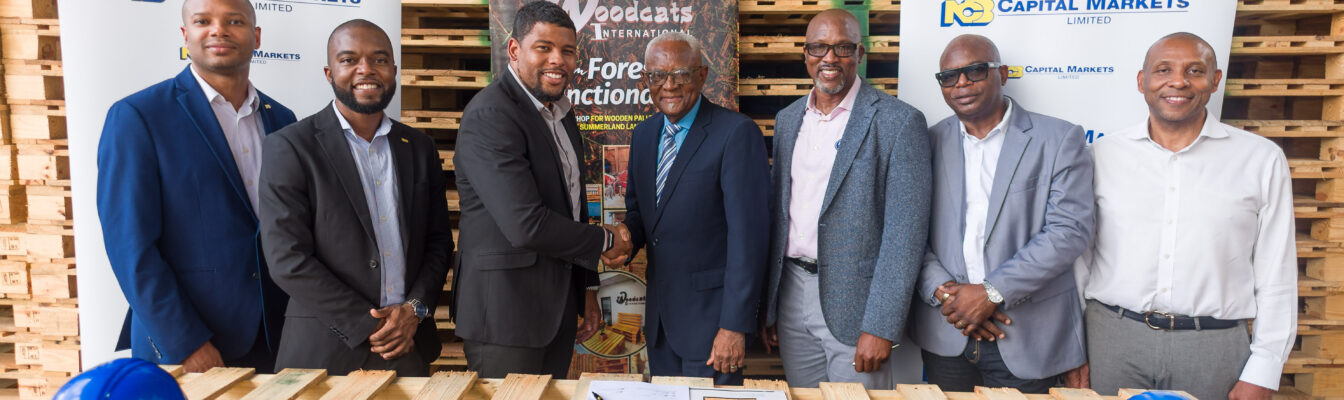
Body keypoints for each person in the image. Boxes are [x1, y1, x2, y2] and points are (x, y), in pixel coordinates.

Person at [1079, 32, 1297, 400]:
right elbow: (1079, 263)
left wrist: (1265, 369)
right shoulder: (1100, 156)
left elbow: (1277, 273)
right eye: (1163, 70)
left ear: (1215, 80)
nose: (1178, 81)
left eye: (1195, 71)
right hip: (1111, 341)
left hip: (1214, 348)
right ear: (1142, 81)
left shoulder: (1260, 159)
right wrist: (1074, 351)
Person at [96, 0, 294, 373]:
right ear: (185, 35)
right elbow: (130, 247)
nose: (219, 30)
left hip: (274, 340)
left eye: (234, 21)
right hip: (189, 346)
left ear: (256, 37)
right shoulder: (139, 117)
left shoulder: (283, 120)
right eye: (203, 21)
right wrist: (185, 342)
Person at [258, 19, 453, 376]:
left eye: (379, 60)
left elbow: (438, 243)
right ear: (329, 73)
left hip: (408, 347)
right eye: (350, 60)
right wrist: (372, 326)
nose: (367, 70)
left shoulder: (419, 147)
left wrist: (413, 310)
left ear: (394, 71)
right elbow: (287, 259)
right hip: (324, 354)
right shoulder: (290, 147)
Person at [451, 0, 632, 379]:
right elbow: (526, 224)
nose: (558, 60)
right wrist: (605, 240)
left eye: (567, 51)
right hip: (504, 320)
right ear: (514, 50)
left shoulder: (561, 113)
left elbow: (573, 209)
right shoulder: (491, 115)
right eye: (544, 48)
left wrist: (586, 288)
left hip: (557, 311)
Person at [760, 8, 932, 389]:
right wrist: (771, 305)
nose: (830, 58)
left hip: (858, 306)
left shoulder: (898, 121)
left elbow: (905, 235)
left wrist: (881, 324)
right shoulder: (788, 119)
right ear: (805, 54)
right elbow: (780, 214)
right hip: (791, 293)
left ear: (860, 54)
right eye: (819, 47)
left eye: (842, 47)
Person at [912, 34, 1093, 393]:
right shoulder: (927, 142)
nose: (961, 83)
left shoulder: (1058, 139)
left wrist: (990, 293)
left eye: (975, 71)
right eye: (949, 76)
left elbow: (1069, 232)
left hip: (1027, 334)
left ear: (1003, 73)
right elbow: (910, 230)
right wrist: (949, 296)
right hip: (948, 331)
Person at [620, 32, 770, 385]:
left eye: (681, 74)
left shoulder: (736, 133)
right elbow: (641, 214)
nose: (669, 85)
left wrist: (734, 326)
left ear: (702, 76)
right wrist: (624, 239)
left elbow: (749, 239)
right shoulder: (644, 135)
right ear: (646, 78)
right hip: (661, 323)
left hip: (713, 327)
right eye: (658, 75)